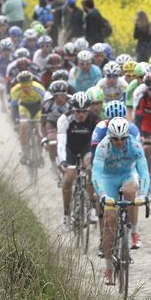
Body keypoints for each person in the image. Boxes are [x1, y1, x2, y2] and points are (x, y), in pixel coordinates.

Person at [91, 117, 150, 285]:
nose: (118, 142)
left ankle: (133, 229)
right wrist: (102, 195)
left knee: (131, 191)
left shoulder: (134, 145)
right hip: (107, 178)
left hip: (127, 175)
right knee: (109, 219)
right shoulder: (103, 146)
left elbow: (144, 172)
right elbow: (95, 174)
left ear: (127, 136)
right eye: (115, 138)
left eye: (122, 138)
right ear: (109, 136)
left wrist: (144, 194)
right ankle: (109, 266)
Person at [57, 92, 100, 228]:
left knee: (89, 169)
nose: (81, 115)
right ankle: (66, 214)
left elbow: (98, 142)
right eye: (77, 111)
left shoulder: (95, 120)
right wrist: (63, 161)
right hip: (70, 149)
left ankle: (92, 207)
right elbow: (61, 142)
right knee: (68, 179)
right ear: (72, 109)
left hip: (86, 148)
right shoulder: (64, 119)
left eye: (84, 111)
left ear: (89, 110)